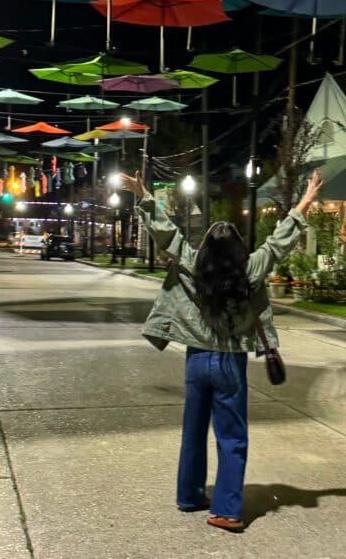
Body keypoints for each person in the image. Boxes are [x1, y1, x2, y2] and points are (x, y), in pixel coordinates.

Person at [121, 168, 323, 533]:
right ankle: (226, 510)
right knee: (232, 437)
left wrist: (144, 194)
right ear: (238, 250)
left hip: (197, 359)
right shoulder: (251, 269)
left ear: (208, 249)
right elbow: (279, 243)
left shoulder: (193, 262)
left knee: (193, 431)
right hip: (230, 361)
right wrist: (306, 200)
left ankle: (190, 495)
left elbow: (167, 234)